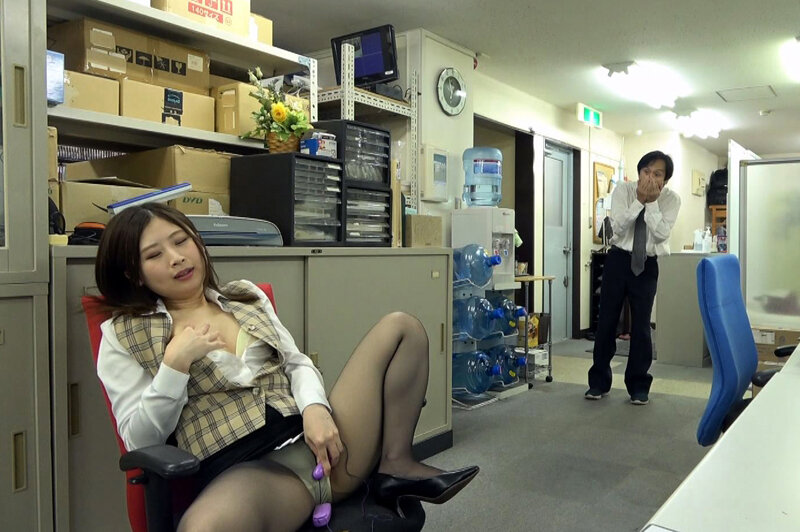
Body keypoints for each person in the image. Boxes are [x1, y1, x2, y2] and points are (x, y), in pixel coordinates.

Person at [94, 203, 479, 531]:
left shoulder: (245, 296)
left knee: (401, 329)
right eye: (154, 255)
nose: (176, 257)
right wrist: (175, 364)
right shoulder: (123, 334)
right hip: (254, 474)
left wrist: (315, 409)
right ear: (134, 273)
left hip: (321, 442)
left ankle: (395, 465)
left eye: (181, 241)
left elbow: (296, 363)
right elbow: (139, 441)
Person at [586, 151, 681, 405]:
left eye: (657, 174)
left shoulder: (671, 200)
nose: (650, 178)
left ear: (665, 180)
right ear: (639, 172)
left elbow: (661, 234)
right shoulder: (623, 191)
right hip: (618, 260)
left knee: (641, 326)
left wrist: (652, 203)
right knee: (607, 321)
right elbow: (617, 227)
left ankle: (639, 386)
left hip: (647, 264)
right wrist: (639, 200)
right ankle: (598, 382)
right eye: (646, 172)